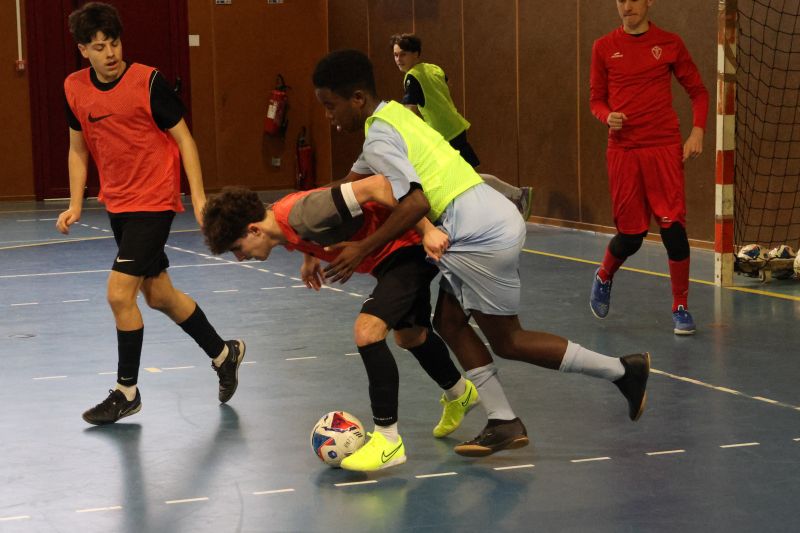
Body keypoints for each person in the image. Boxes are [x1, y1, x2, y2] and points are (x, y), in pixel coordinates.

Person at [312, 49, 651, 457]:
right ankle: (503, 420)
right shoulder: (391, 119)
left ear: (357, 99)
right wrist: (297, 230)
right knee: (449, 322)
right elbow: (342, 190)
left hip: (478, 232)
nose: (328, 116)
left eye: (330, 105)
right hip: (483, 219)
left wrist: (361, 249)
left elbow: (416, 204)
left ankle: (622, 371)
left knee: (509, 340)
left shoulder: (380, 137)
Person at [201, 178, 480, 471]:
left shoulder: (303, 213)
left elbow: (377, 186)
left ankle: (388, 442)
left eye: (237, 248)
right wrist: (310, 256)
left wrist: (426, 229)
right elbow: (308, 227)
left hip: (405, 248)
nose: (240, 257)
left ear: (254, 229)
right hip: (388, 258)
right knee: (410, 336)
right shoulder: (280, 222)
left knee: (367, 331)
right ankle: (460, 393)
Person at [56, 2, 244, 425]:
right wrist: (74, 203)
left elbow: (185, 140)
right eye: (99, 47)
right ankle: (224, 354)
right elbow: (76, 148)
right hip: (118, 205)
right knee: (159, 296)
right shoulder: (74, 88)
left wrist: (198, 199)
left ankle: (127, 391)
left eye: (114, 42)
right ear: (83, 50)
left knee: (119, 295)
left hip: (154, 201)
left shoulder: (148, 81)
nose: (110, 53)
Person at [589, 0, 709, 335]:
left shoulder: (670, 43)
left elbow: (698, 92)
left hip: (663, 148)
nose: (626, 6)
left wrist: (697, 131)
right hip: (624, 151)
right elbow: (596, 100)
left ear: (649, 1)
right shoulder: (603, 47)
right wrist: (606, 116)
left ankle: (680, 307)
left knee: (673, 231)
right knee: (631, 237)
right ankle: (604, 275)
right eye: (620, 0)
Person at [389, 33, 533, 220]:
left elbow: (409, 111)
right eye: (395, 55)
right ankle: (511, 198)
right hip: (454, 128)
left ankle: (516, 195)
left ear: (416, 54)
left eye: (403, 54)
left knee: (466, 179)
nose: (398, 59)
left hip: (444, 135)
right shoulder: (433, 68)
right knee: (463, 178)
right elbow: (448, 84)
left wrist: (395, 124)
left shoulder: (412, 77)